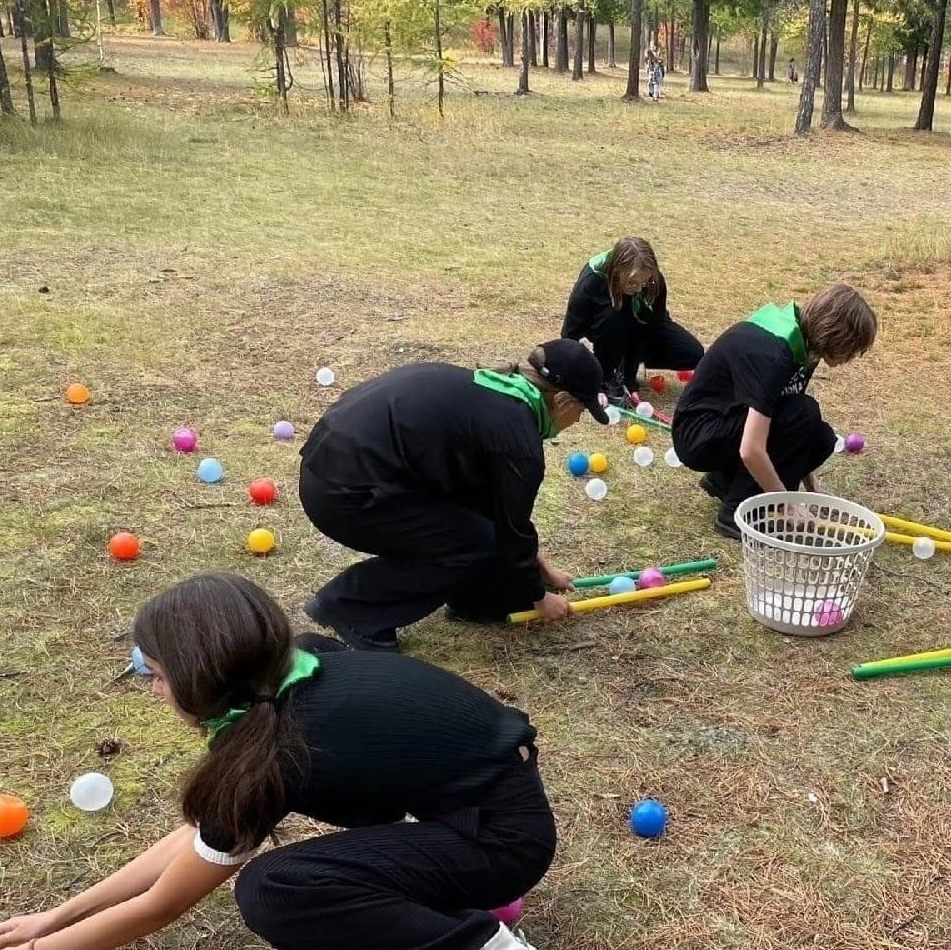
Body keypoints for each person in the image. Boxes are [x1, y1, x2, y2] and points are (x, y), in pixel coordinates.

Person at [0, 574, 562, 950]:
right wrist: (56, 918)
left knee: (277, 889)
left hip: (502, 839)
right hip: (484, 808)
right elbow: (199, 840)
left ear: (198, 680)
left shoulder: (280, 748)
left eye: (156, 676)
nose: (153, 689)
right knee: (295, 876)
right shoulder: (291, 674)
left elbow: (164, 903)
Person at [298, 339, 608, 652]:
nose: (579, 419)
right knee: (476, 543)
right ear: (564, 400)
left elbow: (496, 510)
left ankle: (472, 601)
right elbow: (509, 530)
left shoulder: (490, 392)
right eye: (582, 410)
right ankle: (352, 608)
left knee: (475, 530)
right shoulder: (518, 440)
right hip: (344, 494)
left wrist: (539, 567)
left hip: (329, 468)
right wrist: (539, 598)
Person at [671, 283, 877, 538]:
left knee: (819, 437)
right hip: (698, 433)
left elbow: (789, 424)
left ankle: (726, 481)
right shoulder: (776, 353)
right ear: (837, 334)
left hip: (727, 423)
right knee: (804, 413)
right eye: (853, 347)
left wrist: (812, 486)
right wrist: (786, 504)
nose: (853, 356)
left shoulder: (806, 345)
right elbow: (751, 449)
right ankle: (736, 512)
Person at [560, 237, 703, 405]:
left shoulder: (652, 282)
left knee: (692, 353)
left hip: (638, 326)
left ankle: (621, 365)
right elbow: (569, 335)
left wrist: (630, 378)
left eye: (644, 282)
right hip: (604, 325)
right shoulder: (592, 281)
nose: (639, 288)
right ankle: (606, 372)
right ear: (616, 270)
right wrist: (593, 381)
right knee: (613, 316)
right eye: (632, 282)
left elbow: (649, 328)